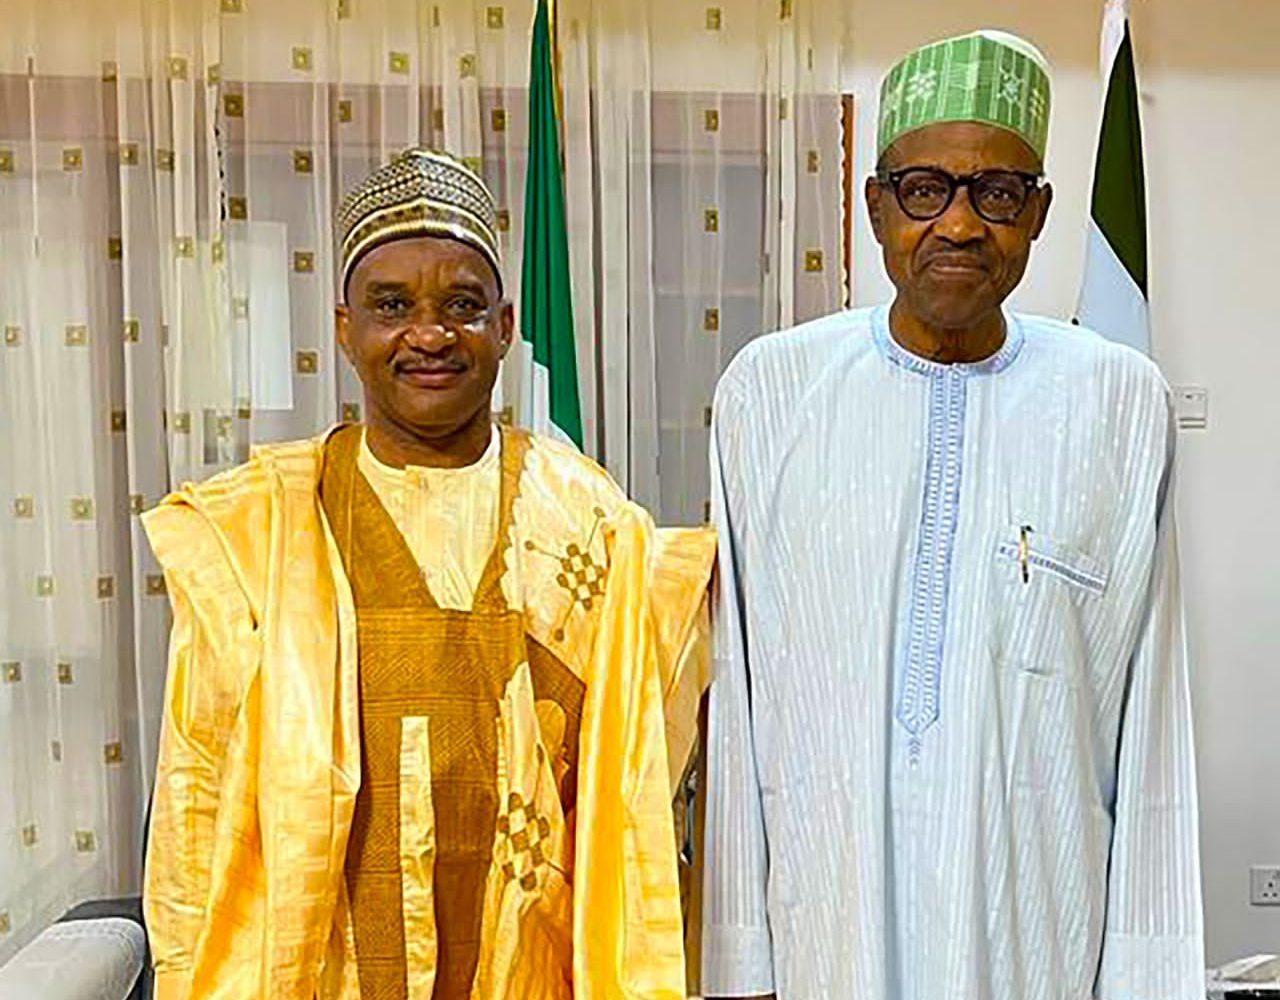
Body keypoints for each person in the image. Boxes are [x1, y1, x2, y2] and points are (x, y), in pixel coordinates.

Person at [699, 30, 1203, 1000]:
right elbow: (736, 704)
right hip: (824, 954)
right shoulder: (767, 395)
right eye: (925, 189)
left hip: (1037, 958)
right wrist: (736, 966)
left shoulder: (1118, 406)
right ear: (875, 204)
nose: (961, 225)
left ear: (1040, 212)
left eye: (998, 192)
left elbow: (1152, 743)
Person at [142, 149, 714, 999]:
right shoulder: (259, 526)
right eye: (391, 305)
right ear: (345, 328)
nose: (430, 334)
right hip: (318, 970)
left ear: (507, 326)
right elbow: (197, 791)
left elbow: (628, 773)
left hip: (523, 965)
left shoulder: (583, 517)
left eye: (462, 305)